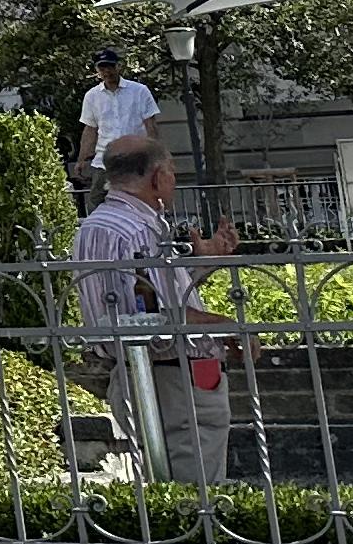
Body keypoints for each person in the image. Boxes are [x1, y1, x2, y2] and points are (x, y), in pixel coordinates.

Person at [70, 136, 242, 482]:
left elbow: (143, 302)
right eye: (173, 173)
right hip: (174, 378)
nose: (174, 181)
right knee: (197, 496)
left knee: (162, 491)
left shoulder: (94, 226)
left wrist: (202, 264)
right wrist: (231, 326)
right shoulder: (140, 231)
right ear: (157, 177)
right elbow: (163, 317)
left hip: (132, 372)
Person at [72, 46, 159, 187]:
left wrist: (155, 155)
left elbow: (151, 125)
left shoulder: (139, 91)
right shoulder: (92, 96)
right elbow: (90, 130)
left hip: (135, 158)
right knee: (98, 201)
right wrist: (81, 159)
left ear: (118, 66)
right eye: (102, 68)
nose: (107, 71)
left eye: (110, 66)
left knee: (137, 199)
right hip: (104, 161)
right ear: (97, 70)